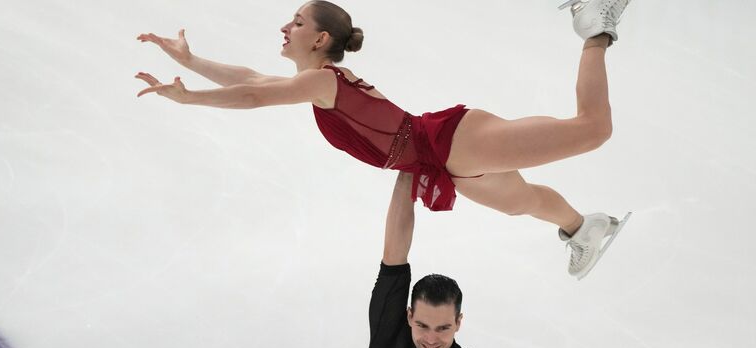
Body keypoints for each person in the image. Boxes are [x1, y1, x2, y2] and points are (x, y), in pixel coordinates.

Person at [135, 0, 632, 278]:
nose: (286, 26)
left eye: (298, 21)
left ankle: (595, 26)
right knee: (520, 201)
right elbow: (253, 82)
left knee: (593, 129)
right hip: (443, 158)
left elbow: (252, 98)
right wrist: (190, 62)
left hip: (453, 140)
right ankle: (581, 228)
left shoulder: (321, 81)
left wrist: (190, 99)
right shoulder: (318, 83)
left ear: (320, 39)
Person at [364, 171, 684, 348]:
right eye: (423, 325)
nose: (431, 339)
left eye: (442, 328)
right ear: (408, 316)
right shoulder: (389, 345)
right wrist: (407, 171)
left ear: (459, 323)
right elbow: (394, 255)